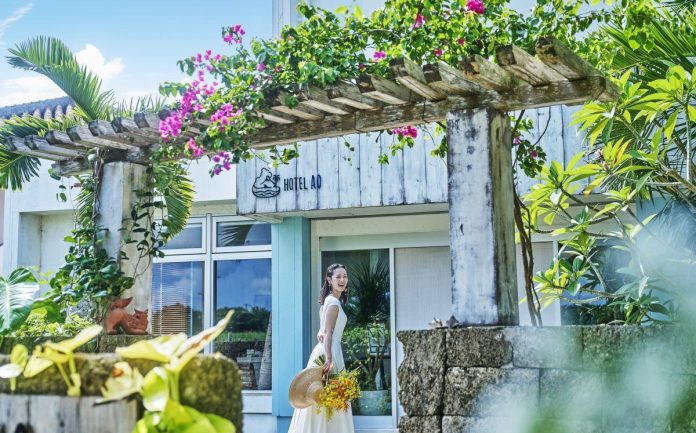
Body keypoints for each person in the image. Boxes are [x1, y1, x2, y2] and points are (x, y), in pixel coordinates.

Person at [287, 263, 355, 433]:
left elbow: (323, 330)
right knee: (326, 395)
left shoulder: (328, 301)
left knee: (323, 396)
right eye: (338, 276)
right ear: (329, 280)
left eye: (345, 276)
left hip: (327, 349)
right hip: (329, 352)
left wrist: (322, 333)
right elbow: (329, 332)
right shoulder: (333, 303)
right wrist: (329, 358)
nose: (342, 280)